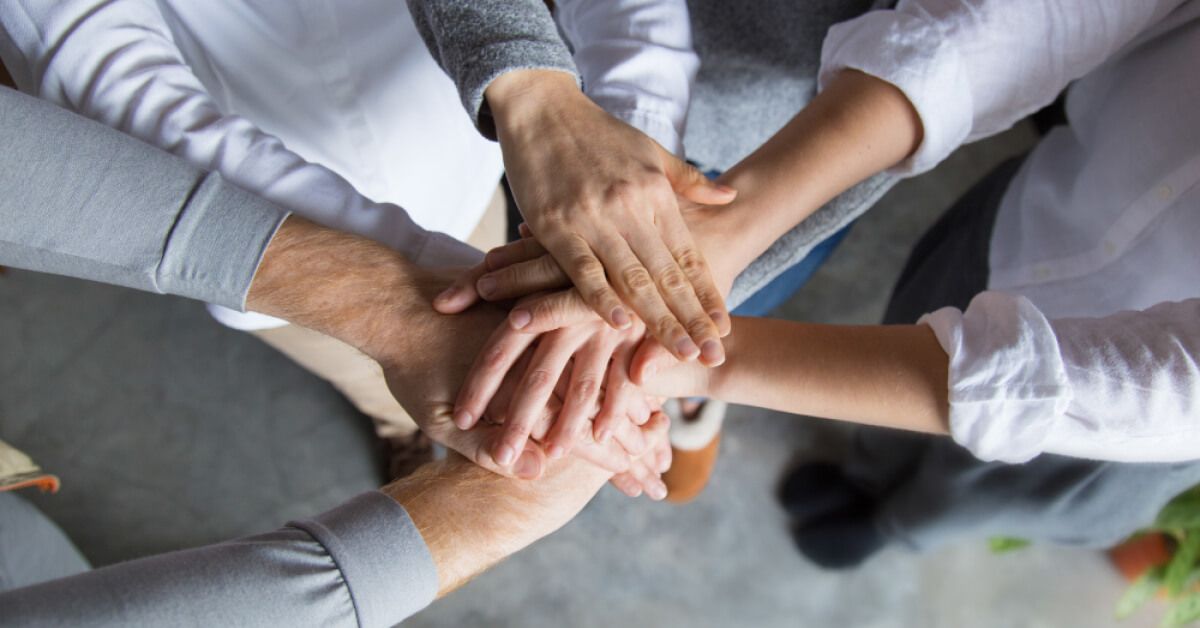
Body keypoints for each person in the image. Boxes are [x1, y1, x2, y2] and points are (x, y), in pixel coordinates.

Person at [458, 0, 1200, 567]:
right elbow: (1048, 17)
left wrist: (677, 351)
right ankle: (848, 464)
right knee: (907, 330)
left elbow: (1145, 389)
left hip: (1129, 428)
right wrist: (729, 226)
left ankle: (896, 529)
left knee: (994, 493)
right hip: (1040, 209)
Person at [0, 84, 670, 625]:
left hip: (437, 161)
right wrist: (472, 520)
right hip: (232, 157)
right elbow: (97, 60)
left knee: (38, 562)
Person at [414, 0, 894, 499]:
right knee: (567, 256)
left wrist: (704, 255)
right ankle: (657, 377)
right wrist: (557, 112)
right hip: (593, 77)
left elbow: (949, 56)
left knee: (713, 302)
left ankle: (673, 371)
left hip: (816, 144)